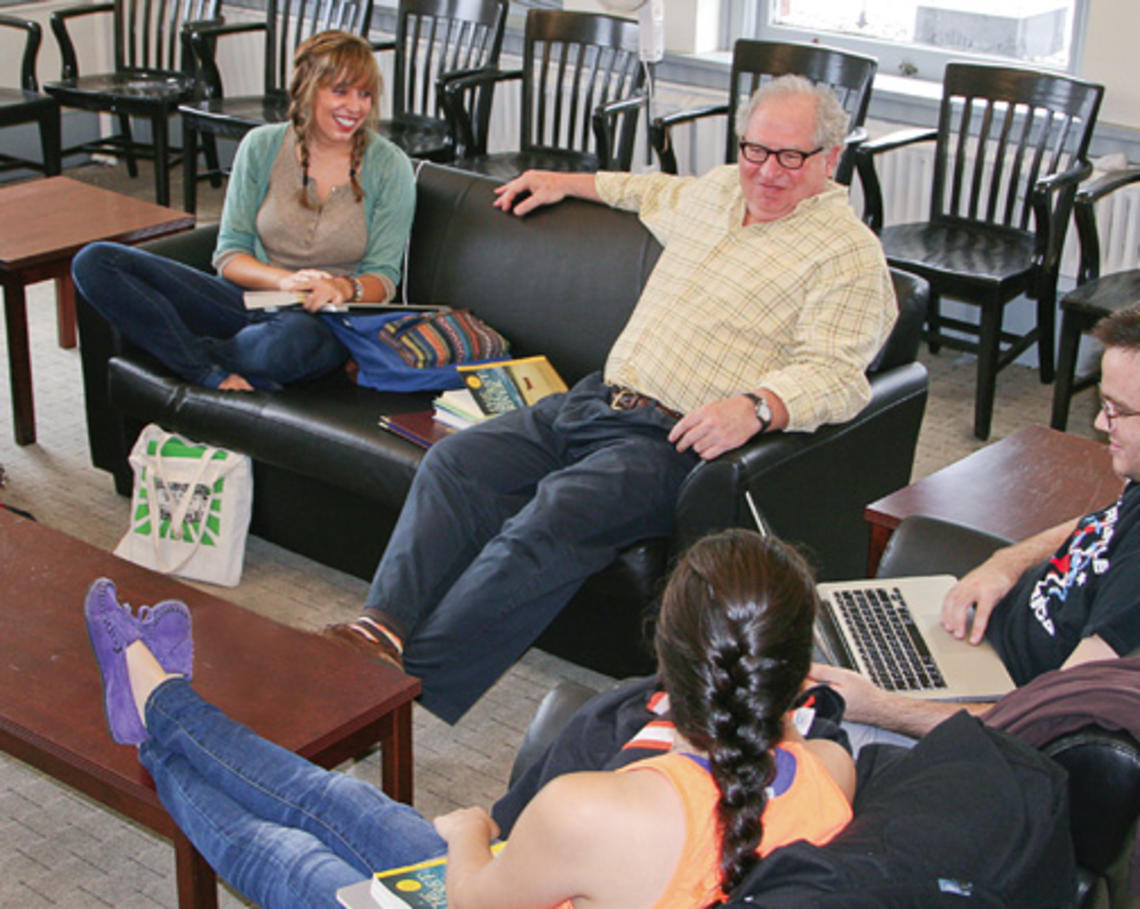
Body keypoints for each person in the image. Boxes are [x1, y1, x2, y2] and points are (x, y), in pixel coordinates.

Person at [325, 74, 897, 723]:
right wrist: (563, 180)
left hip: (671, 441)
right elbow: (647, 190)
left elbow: (839, 374)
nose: (766, 172)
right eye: (754, 150)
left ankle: (407, 690)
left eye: (789, 156)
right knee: (455, 463)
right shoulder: (716, 192)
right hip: (594, 400)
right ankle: (378, 632)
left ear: (829, 159)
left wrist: (759, 405)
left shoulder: (846, 254)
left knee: (553, 516)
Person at [85, 530, 855, 909]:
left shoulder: (597, 808)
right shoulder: (834, 771)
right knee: (343, 802)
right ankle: (158, 703)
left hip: (489, 891)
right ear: (797, 671)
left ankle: (155, 713)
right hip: (535, 880)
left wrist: (466, 832)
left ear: (666, 648)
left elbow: (475, 899)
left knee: (295, 862)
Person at [811, 305, 1140, 744]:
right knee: (792, 633)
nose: (1101, 424)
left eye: (1118, 411)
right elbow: (1102, 525)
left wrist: (880, 707)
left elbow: (1051, 718)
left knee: (797, 722)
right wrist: (1006, 564)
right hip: (974, 646)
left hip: (983, 711)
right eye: (1103, 404)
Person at [72, 30, 415, 392]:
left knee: (284, 348)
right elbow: (231, 253)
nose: (356, 107)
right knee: (95, 261)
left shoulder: (390, 166)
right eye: (341, 91)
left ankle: (190, 359)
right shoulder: (261, 146)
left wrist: (343, 288)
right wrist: (283, 280)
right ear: (307, 89)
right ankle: (208, 367)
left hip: (320, 321)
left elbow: (384, 278)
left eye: (365, 94)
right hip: (244, 299)